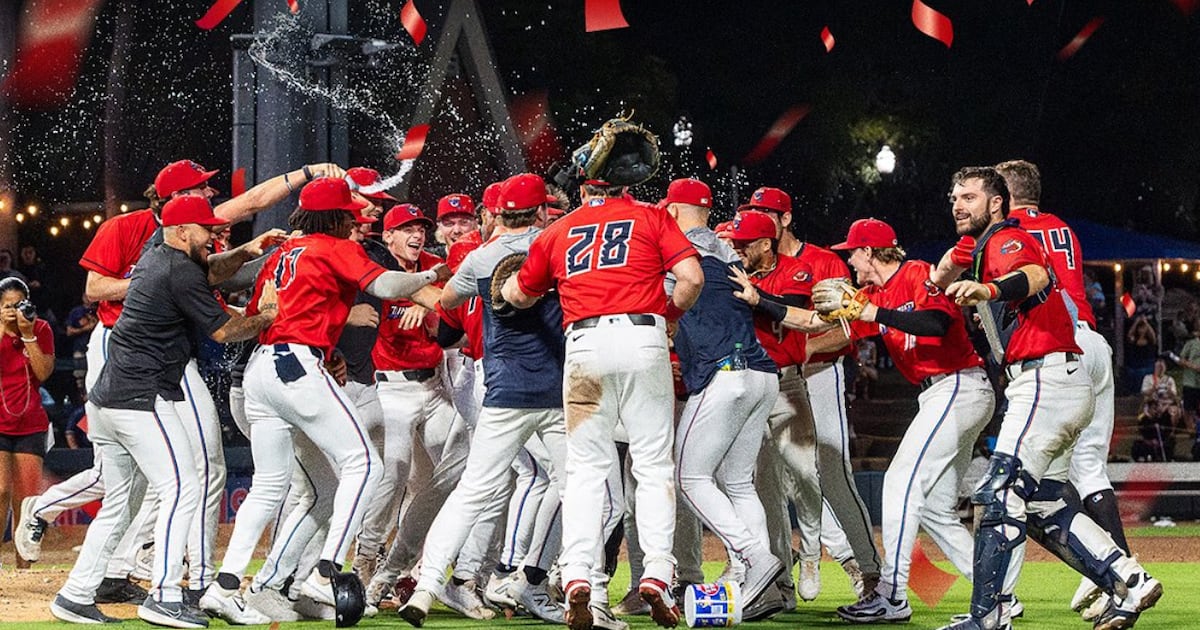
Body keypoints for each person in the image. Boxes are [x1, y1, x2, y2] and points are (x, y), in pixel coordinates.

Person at [199, 177, 448, 626]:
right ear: (334, 217)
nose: (355, 220)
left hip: (262, 368)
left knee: (290, 488)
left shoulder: (281, 254)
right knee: (365, 466)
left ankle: (235, 585)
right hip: (296, 365)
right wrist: (434, 274)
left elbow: (263, 313)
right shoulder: (332, 246)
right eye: (349, 214)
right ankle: (324, 571)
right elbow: (389, 286)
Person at [931, 166, 1161, 630]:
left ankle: (989, 615)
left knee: (997, 491)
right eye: (955, 197)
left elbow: (1034, 274)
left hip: (1046, 378)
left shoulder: (1003, 239)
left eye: (970, 197)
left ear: (997, 203)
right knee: (1043, 504)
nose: (959, 204)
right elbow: (943, 275)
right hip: (1059, 377)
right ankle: (1129, 580)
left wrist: (989, 289)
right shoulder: (984, 245)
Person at [502, 118, 704, 630]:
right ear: (625, 181)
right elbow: (692, 278)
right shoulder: (652, 218)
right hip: (642, 337)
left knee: (586, 472)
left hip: (585, 347)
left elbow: (521, 295)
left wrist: (501, 295)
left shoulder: (558, 229)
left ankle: (577, 578)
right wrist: (668, 318)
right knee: (653, 464)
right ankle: (656, 574)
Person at [51, 195, 278, 627]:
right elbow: (227, 330)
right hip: (140, 397)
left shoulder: (161, 255)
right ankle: (165, 594)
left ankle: (76, 593)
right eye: (206, 229)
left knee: (121, 500)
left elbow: (210, 269)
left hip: (110, 398)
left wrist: (248, 251)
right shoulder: (176, 269)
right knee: (185, 486)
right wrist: (265, 316)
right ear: (180, 231)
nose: (213, 234)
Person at [789, 218, 993, 624]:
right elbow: (830, 329)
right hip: (942, 393)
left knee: (899, 481)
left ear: (869, 252)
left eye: (853, 252)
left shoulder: (917, 273)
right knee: (934, 507)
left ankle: (892, 594)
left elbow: (938, 324)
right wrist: (768, 310)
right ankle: (995, 591)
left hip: (960, 385)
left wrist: (874, 309)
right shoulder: (872, 294)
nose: (849, 259)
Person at [400, 173, 578, 626]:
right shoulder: (558, 243)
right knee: (579, 489)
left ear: (497, 213)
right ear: (541, 210)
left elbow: (449, 300)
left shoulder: (479, 257)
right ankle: (553, 581)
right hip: (556, 393)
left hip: (501, 392)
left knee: (471, 494)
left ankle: (425, 589)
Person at [996, 158, 1134, 618]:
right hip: (1094, 343)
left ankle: (999, 600)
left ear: (1007, 195)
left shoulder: (1010, 230)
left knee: (1024, 482)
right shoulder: (1063, 229)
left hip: (1058, 345)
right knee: (1089, 467)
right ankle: (1124, 572)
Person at [659, 179, 783, 610]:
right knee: (737, 482)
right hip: (763, 374)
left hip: (724, 374)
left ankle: (754, 558)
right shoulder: (727, 251)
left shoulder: (675, 254)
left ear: (672, 212)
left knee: (690, 478)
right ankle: (758, 587)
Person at [0, 277, 54, 568]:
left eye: (19, 305)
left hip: (30, 422)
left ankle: (24, 570)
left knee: (26, 500)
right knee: (0, 492)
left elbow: (44, 372)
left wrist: (27, 334)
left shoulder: (41, 329)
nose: (13, 311)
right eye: (7, 306)